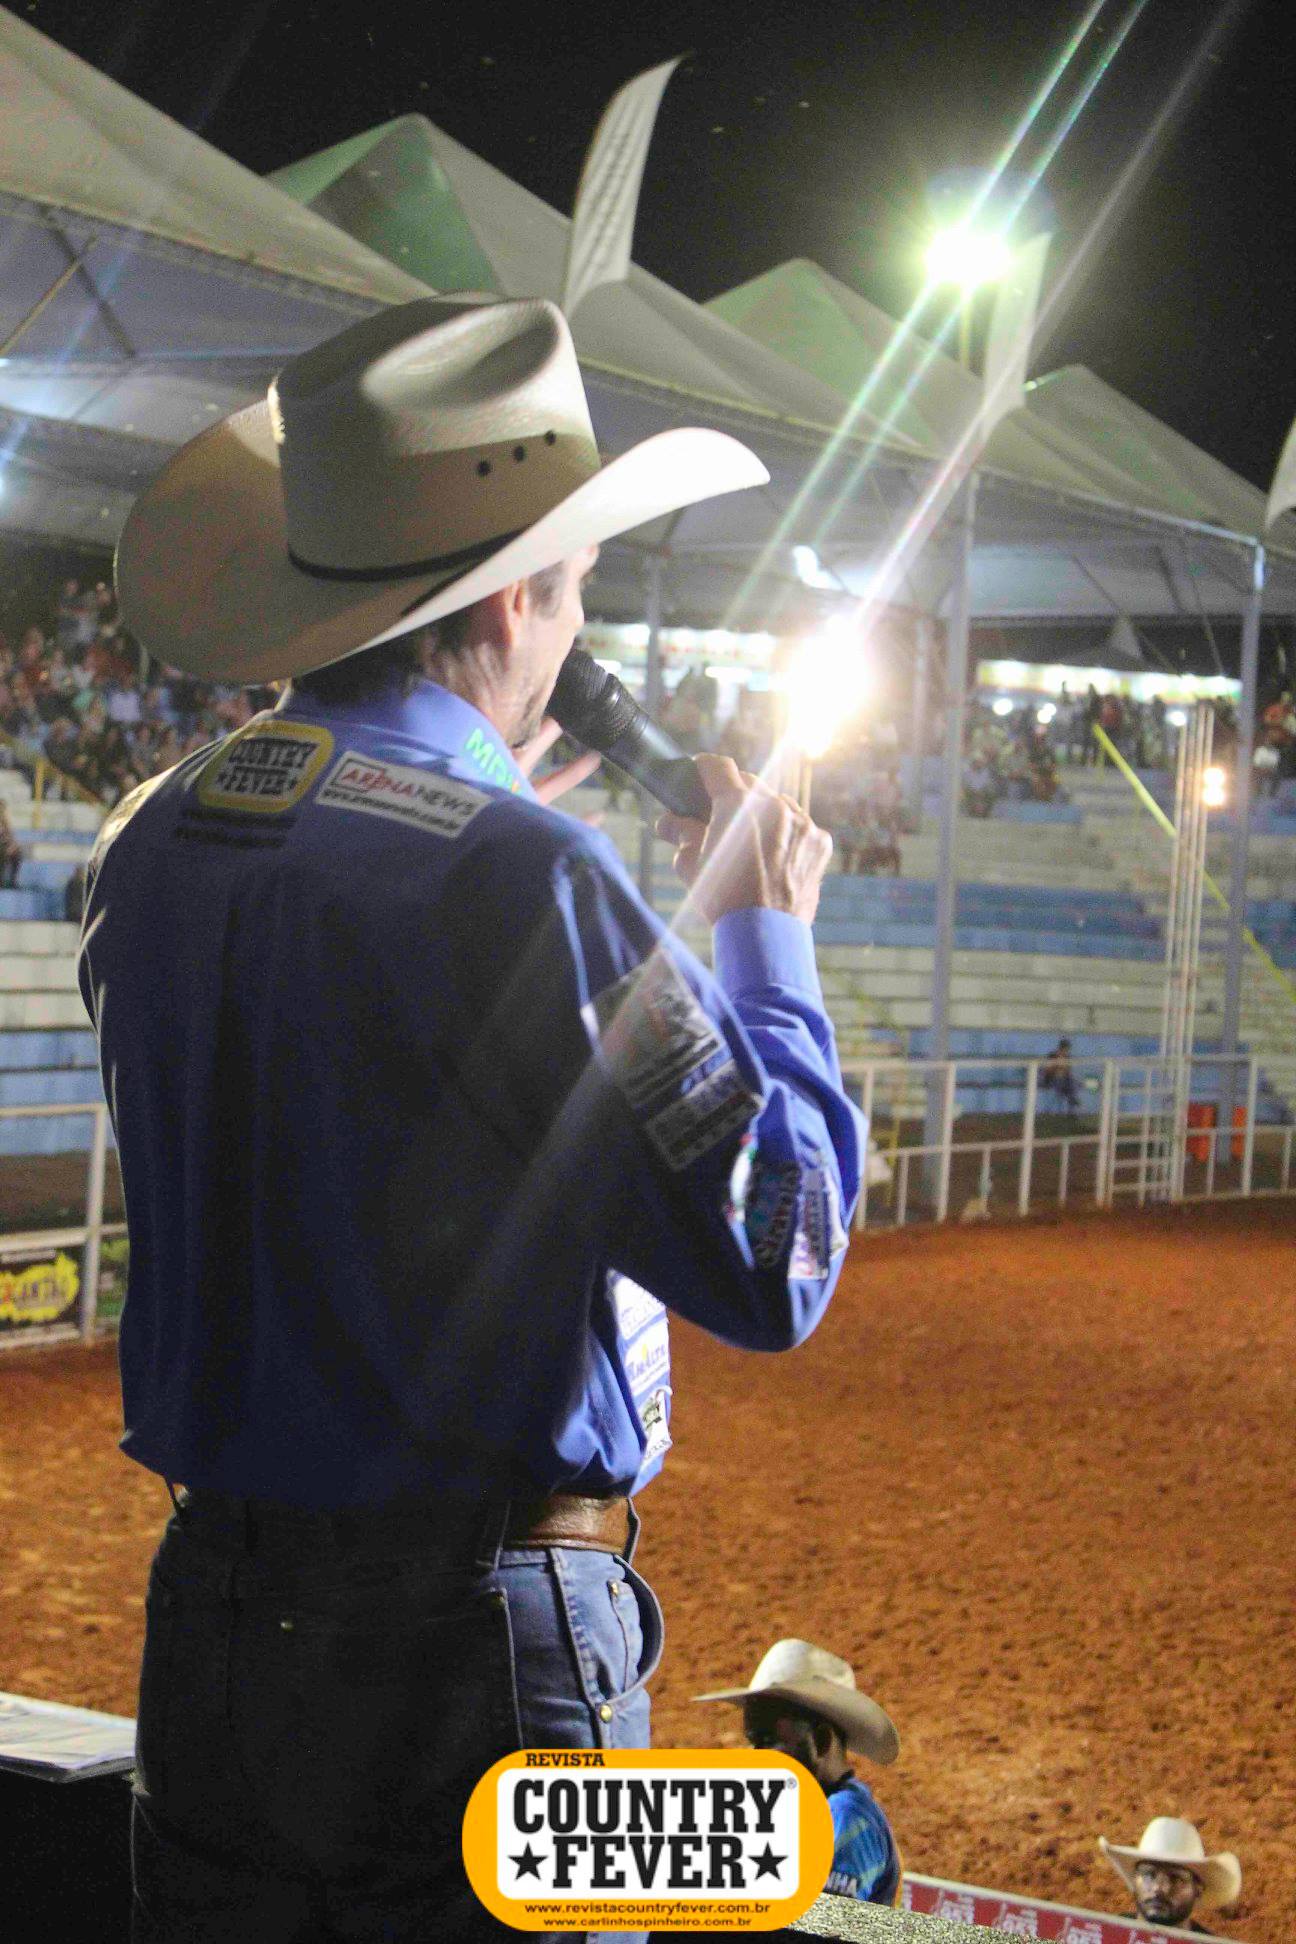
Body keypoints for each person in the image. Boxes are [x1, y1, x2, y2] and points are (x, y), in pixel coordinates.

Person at [80, 296, 865, 1942]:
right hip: (485, 1644)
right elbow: (777, 1252)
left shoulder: (157, 837)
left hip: (217, 1623)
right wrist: (765, 939)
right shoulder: (527, 876)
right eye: (575, 590)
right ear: (516, 595)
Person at [695, 1638, 902, 1907]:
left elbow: (820, 1925)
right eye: (754, 1743)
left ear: (821, 1742)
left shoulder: (844, 1816)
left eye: (770, 1742)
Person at [1098, 1817, 1241, 1935]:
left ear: (1197, 1889)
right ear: (1135, 1880)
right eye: (1149, 1875)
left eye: (1176, 1879)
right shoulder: (1105, 1935)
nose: (1158, 1888)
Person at [1040, 1036, 1080, 1112]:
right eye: (1064, 1049)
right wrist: (1057, 1068)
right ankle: (1072, 1101)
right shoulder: (1052, 1056)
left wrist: (1063, 1070)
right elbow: (1046, 1070)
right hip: (1052, 1078)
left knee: (1072, 1083)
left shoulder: (1067, 1057)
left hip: (1064, 1079)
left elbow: (1068, 1070)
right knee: (1066, 1086)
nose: (1065, 1051)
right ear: (1060, 1048)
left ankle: (1071, 1106)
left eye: (1067, 1050)